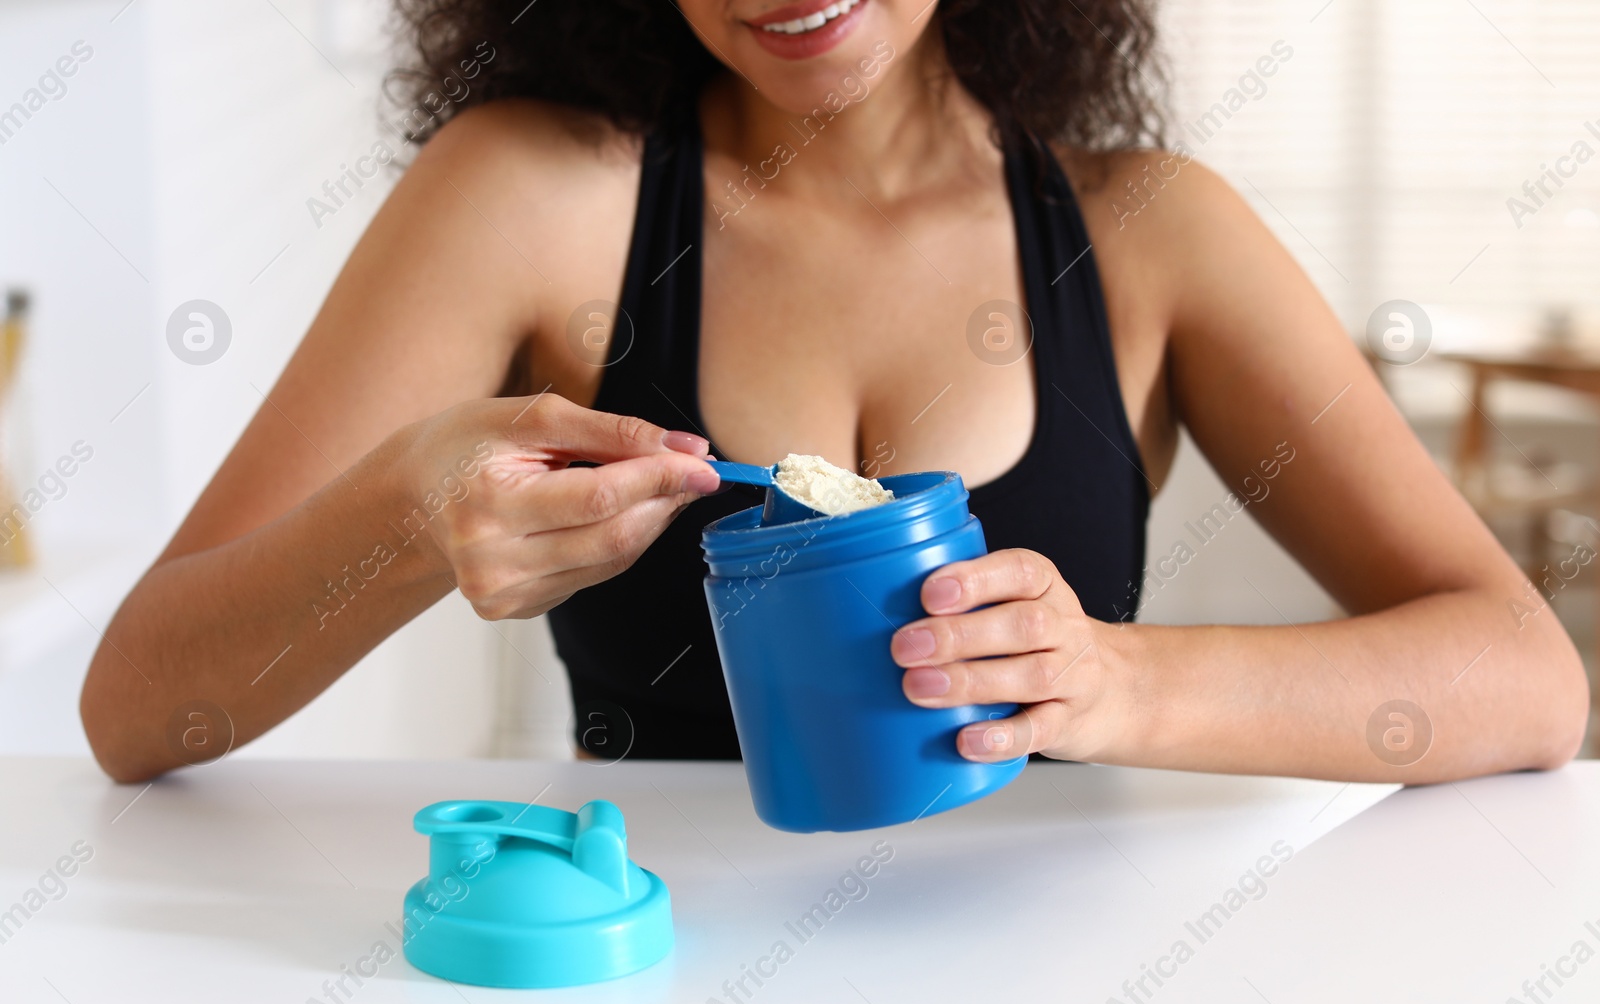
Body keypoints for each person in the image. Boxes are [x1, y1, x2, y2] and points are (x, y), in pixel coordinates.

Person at [82, 0, 1586, 783]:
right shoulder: (533, 197)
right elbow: (138, 709)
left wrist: (1116, 683)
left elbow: (1527, 679)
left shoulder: (1151, 231)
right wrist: (407, 522)